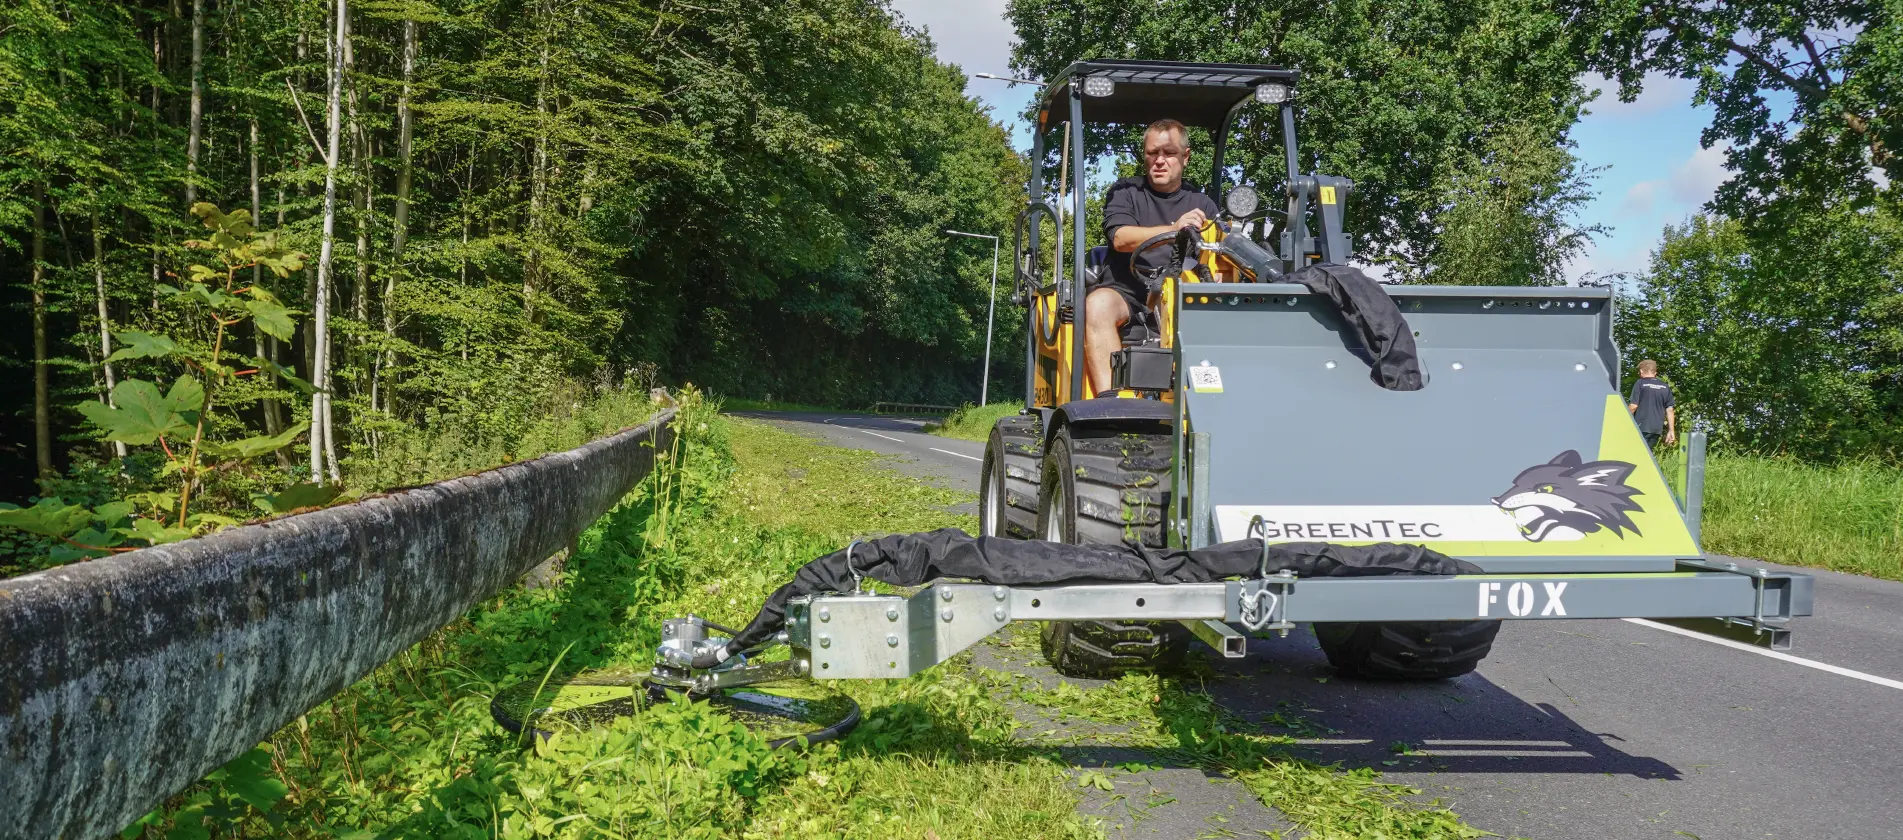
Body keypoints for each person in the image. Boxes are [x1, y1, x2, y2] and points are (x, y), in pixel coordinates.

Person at [1086, 118, 1220, 394]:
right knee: (1097, 305)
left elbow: (1217, 254)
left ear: (1185, 157)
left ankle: (1206, 400)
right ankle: (1110, 403)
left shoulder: (1203, 204)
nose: (1160, 161)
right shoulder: (1125, 193)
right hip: (1127, 294)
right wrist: (1174, 229)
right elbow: (1120, 238)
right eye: (1152, 153)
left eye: (1169, 153)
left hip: (1180, 296)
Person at [1628, 359, 1676, 450]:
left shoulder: (1640, 383)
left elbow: (1633, 406)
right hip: (1656, 430)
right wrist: (1671, 431)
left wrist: (1621, 420)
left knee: (1634, 454)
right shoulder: (1665, 386)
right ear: (1655, 372)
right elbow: (1670, 410)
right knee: (1646, 454)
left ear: (1641, 371)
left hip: (1641, 427)